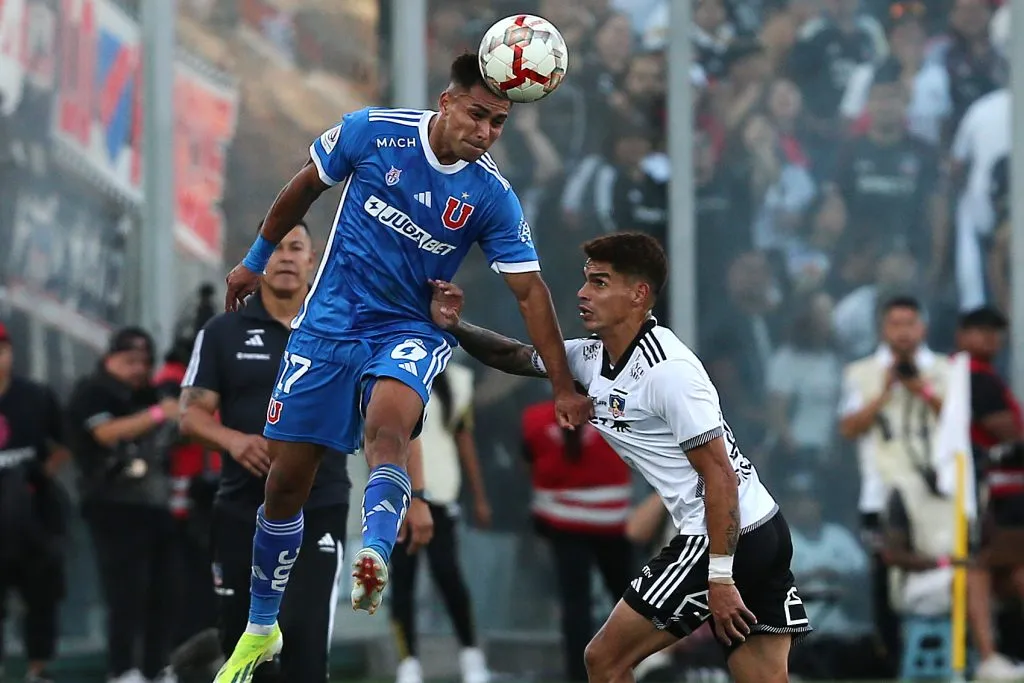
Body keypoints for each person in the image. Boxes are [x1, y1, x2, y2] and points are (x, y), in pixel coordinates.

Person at [216, 52, 591, 681]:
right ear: (447, 101)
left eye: (498, 123)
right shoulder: (373, 131)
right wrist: (255, 258)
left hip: (408, 330)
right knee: (285, 486)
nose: (485, 132)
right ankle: (260, 628)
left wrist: (560, 385)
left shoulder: (491, 195)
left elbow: (531, 292)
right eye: (478, 114)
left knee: (387, 432)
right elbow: (304, 185)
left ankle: (377, 553)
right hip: (328, 324)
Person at [428, 232, 812, 683]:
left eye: (600, 282)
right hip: (760, 527)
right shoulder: (595, 359)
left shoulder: (669, 373)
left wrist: (721, 576)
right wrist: (455, 325)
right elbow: (519, 355)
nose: (582, 293)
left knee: (604, 660)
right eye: (586, 280)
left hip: (723, 536)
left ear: (638, 294)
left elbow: (720, 477)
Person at [181, 222, 376, 683]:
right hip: (240, 509)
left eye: (297, 248)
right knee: (243, 652)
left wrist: (413, 495)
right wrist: (234, 440)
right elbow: (190, 417)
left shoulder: (347, 328)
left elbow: (386, 418)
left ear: (313, 260)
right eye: (276, 248)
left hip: (317, 506)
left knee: (305, 644)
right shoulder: (223, 331)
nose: (286, 257)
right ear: (259, 259)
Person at [66, 328, 180, 683]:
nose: (137, 369)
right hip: (112, 504)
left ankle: (155, 667)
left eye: (143, 362)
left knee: (161, 591)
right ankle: (122, 669)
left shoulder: (150, 393)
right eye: (129, 361)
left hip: (155, 503)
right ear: (110, 359)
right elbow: (106, 433)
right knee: (125, 592)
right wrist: (160, 413)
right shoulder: (93, 391)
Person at [391, 362, 492, 683]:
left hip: (442, 494)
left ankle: (471, 657)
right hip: (398, 497)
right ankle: (408, 664)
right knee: (403, 582)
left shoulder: (459, 381)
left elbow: (465, 440)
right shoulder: (392, 373)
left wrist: (479, 496)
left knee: (449, 576)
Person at [520, 397, 633, 682]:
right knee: (628, 600)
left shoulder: (535, 419)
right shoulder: (615, 415)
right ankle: (634, 664)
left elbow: (529, 461)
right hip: (610, 520)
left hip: (560, 522)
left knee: (575, 605)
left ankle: (579, 674)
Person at [0, 323, 69, 683]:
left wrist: (42, 474)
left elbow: (64, 441)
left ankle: (37, 670)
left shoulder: (34, 396)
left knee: (40, 596)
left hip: (33, 512)